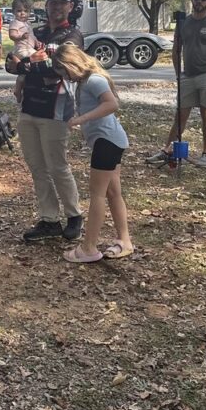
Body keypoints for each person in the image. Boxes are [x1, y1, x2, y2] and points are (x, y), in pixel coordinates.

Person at [6, 0, 85, 242]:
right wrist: (30, 64)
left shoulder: (73, 35)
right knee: (37, 167)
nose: (57, 7)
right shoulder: (36, 31)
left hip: (56, 108)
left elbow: (60, 67)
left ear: (70, 7)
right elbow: (10, 63)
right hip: (29, 107)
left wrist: (26, 66)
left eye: (62, 3)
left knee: (57, 165)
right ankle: (49, 219)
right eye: (53, 3)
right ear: (47, 5)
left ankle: (74, 215)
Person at [51, 43, 133, 263]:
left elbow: (111, 104)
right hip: (107, 141)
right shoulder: (83, 82)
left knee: (97, 194)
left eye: (63, 72)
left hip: (108, 141)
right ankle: (125, 240)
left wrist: (82, 119)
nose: (64, 77)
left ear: (71, 64)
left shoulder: (94, 80)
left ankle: (89, 248)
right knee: (113, 193)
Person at [146, 0, 206, 168]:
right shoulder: (183, 22)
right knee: (180, 115)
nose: (199, 1)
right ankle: (167, 150)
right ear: (192, 0)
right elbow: (176, 49)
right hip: (187, 76)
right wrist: (179, 74)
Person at [7, 0, 40, 103]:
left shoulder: (28, 24)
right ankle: (18, 89)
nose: (22, 13)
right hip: (21, 50)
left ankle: (19, 90)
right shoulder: (15, 23)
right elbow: (12, 35)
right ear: (13, 11)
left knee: (25, 72)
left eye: (25, 11)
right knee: (36, 61)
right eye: (19, 11)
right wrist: (20, 37)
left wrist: (37, 42)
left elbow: (32, 36)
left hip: (29, 49)